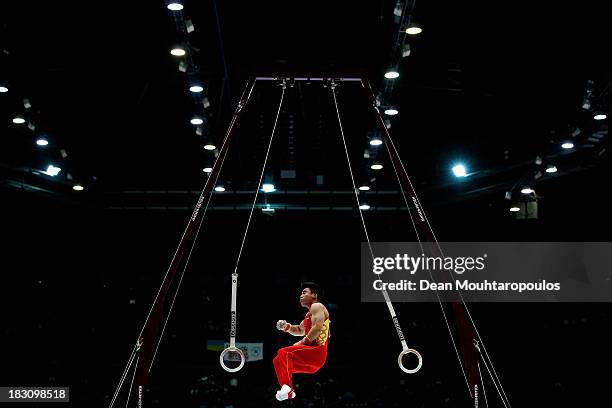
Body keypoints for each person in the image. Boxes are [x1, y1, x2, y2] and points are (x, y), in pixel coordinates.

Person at [273, 282, 331, 401]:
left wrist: (302, 342)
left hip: (317, 351)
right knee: (278, 360)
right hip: (313, 362)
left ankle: (288, 387)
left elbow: (318, 328)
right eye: (301, 293)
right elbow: (299, 330)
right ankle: (289, 392)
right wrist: (286, 327)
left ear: (314, 295)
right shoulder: (309, 314)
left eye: (304, 293)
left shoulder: (317, 306)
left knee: (284, 352)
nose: (301, 295)